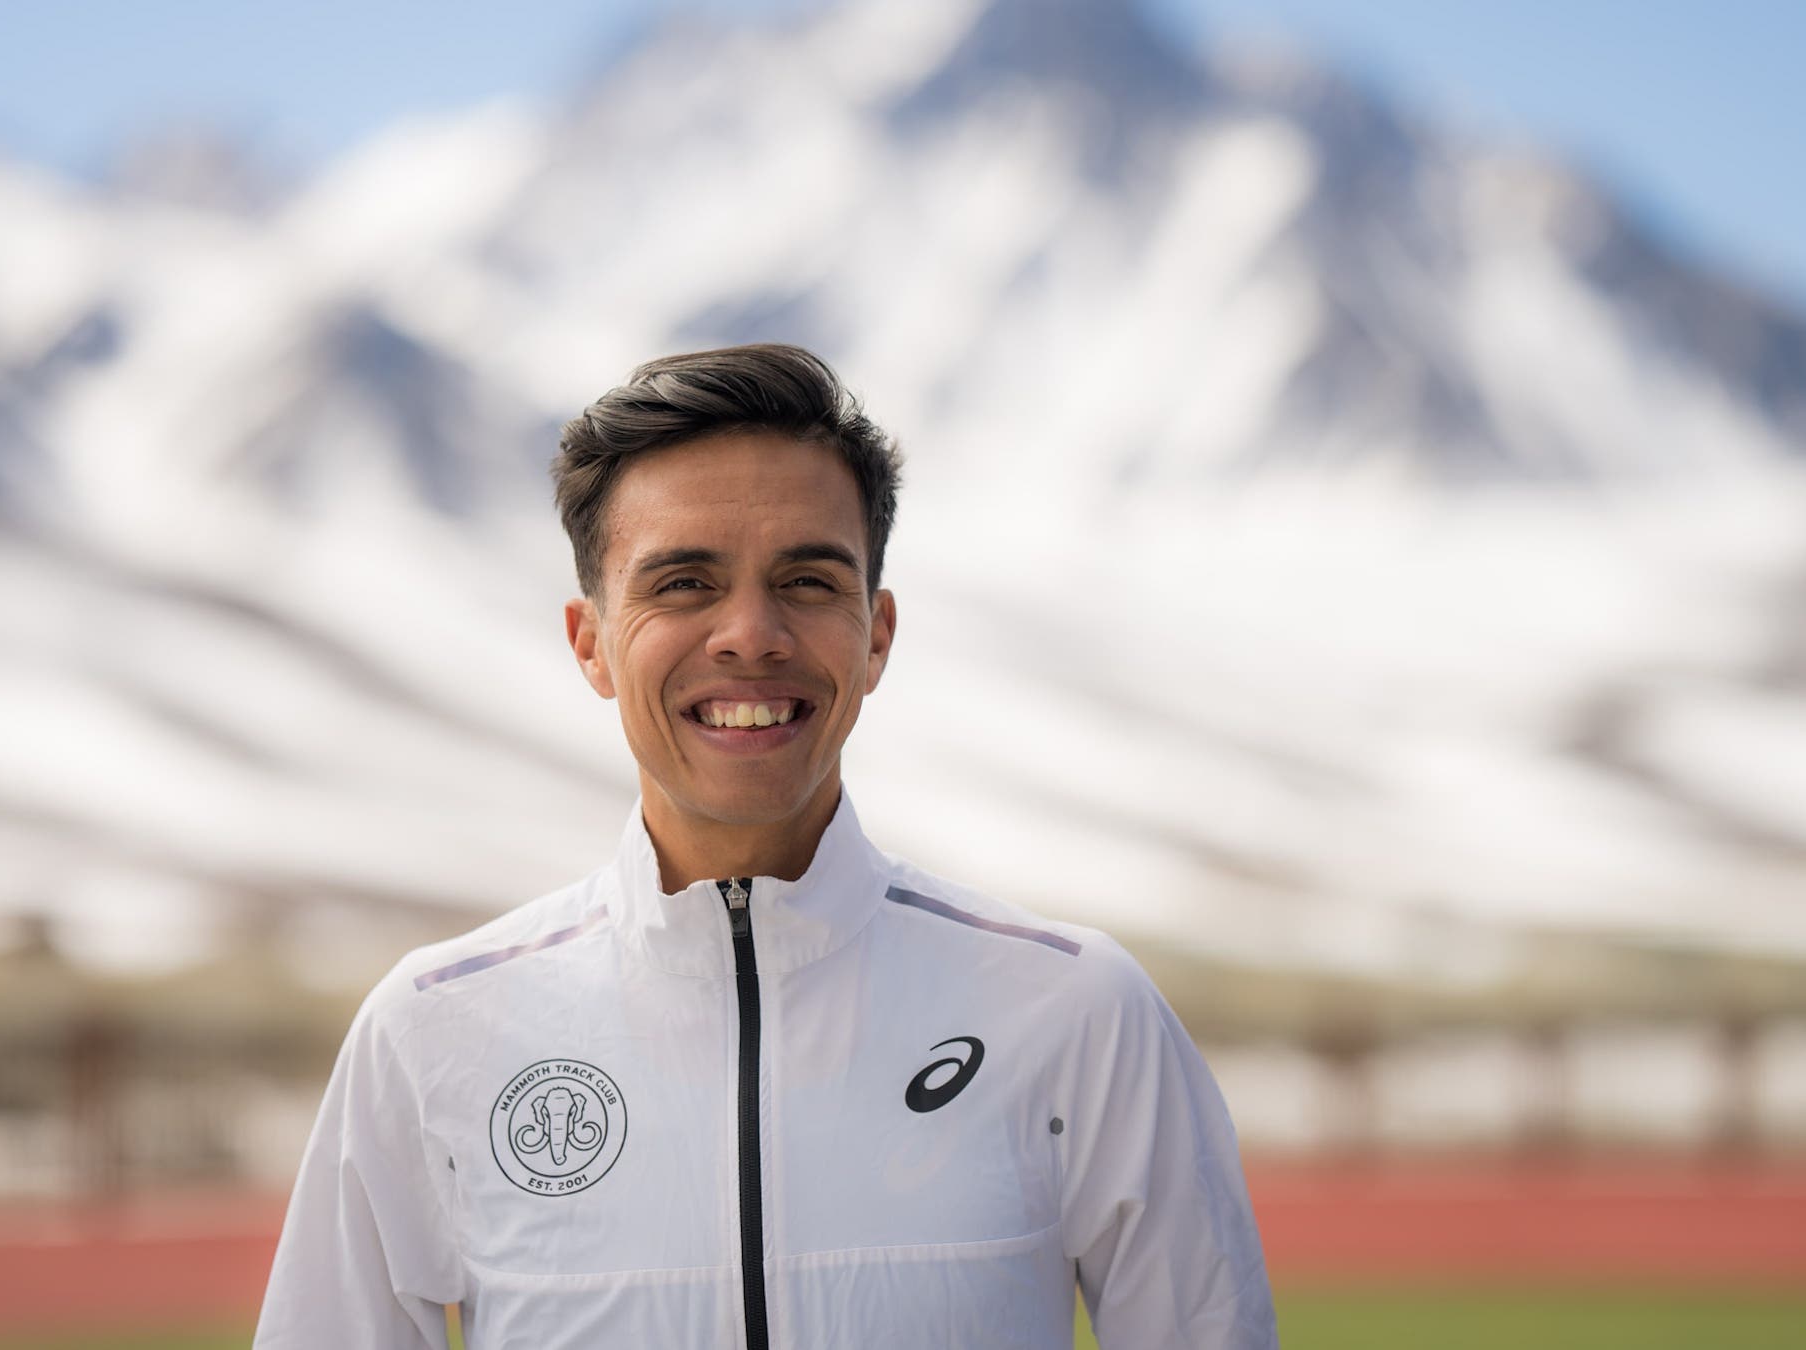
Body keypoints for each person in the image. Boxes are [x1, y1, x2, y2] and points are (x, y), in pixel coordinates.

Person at [254, 344, 1278, 1348]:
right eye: (683, 583)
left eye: (807, 581)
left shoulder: (1078, 1013)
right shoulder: (430, 1032)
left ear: (876, 636)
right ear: (590, 643)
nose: (751, 633)